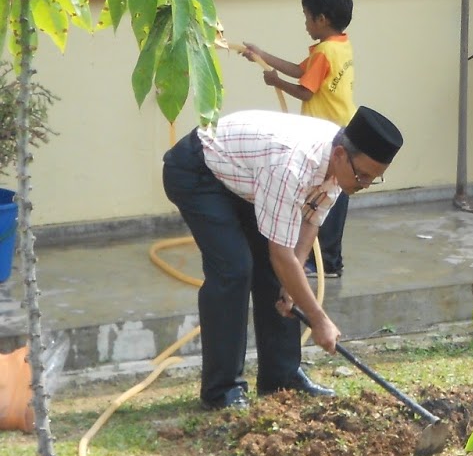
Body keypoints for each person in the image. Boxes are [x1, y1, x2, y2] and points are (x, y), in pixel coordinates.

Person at [162, 107, 402, 410]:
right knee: (234, 270)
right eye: (363, 175)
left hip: (247, 179)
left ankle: (281, 377)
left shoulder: (339, 165)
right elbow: (280, 253)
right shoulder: (293, 165)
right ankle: (221, 390)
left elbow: (310, 221)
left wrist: (293, 279)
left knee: (282, 276)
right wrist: (318, 318)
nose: (365, 184)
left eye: (373, 178)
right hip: (199, 170)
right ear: (340, 155)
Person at [244, 0, 357, 278]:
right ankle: (322, 258)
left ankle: (327, 261)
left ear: (322, 19)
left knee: (326, 200)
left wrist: (275, 82)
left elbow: (305, 91)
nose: (305, 23)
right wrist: (262, 55)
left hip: (326, 134)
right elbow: (300, 69)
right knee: (329, 196)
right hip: (341, 129)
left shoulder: (324, 53)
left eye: (307, 16)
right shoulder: (338, 46)